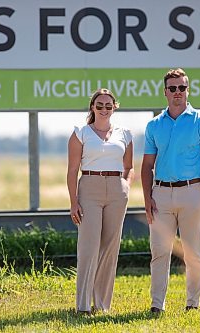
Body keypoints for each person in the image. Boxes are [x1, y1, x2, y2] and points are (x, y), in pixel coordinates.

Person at [141, 68, 200, 313]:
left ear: (188, 90)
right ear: (165, 92)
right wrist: (147, 199)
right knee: (159, 252)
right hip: (160, 195)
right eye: (172, 88)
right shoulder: (154, 126)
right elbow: (146, 166)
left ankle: (192, 304)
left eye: (182, 88)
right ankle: (157, 305)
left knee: (193, 253)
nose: (177, 92)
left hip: (192, 193)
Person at [67, 88, 134, 315]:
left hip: (117, 191)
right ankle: (83, 305)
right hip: (89, 189)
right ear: (92, 108)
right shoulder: (81, 133)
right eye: (99, 105)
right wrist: (74, 202)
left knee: (110, 248)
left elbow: (129, 167)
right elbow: (72, 170)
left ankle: (102, 305)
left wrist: (125, 185)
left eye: (108, 105)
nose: (104, 109)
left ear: (114, 107)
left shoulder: (125, 134)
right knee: (88, 247)